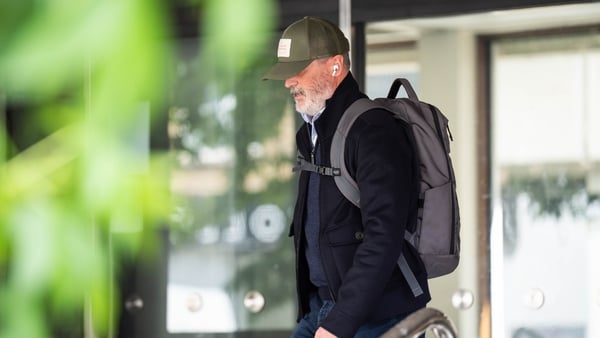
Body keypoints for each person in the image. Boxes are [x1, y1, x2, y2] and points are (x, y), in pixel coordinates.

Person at [262, 16, 430, 338]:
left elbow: (383, 236)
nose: (288, 83)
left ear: (336, 66)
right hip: (324, 310)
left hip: (378, 315)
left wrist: (339, 324)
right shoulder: (311, 133)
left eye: (298, 71)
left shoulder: (372, 131)